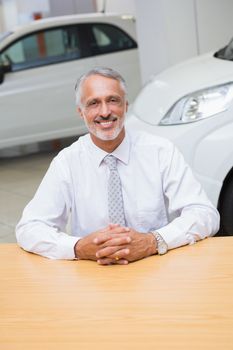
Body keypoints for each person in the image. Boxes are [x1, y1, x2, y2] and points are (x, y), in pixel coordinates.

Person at [16, 67, 220, 264]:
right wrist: (78, 247)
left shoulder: (160, 151)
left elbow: (204, 214)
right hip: (93, 273)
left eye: (113, 100)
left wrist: (153, 241)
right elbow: (30, 228)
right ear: (81, 112)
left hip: (156, 265)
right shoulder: (67, 162)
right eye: (93, 103)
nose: (104, 112)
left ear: (126, 106)